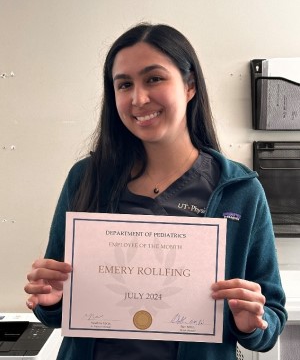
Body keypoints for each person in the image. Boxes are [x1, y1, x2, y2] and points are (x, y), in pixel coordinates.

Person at [24, 23, 287, 360]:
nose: (138, 98)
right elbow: (56, 310)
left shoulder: (240, 191)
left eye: (153, 79)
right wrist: (51, 298)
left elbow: (272, 316)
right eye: (124, 85)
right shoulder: (85, 178)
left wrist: (253, 321)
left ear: (189, 85)